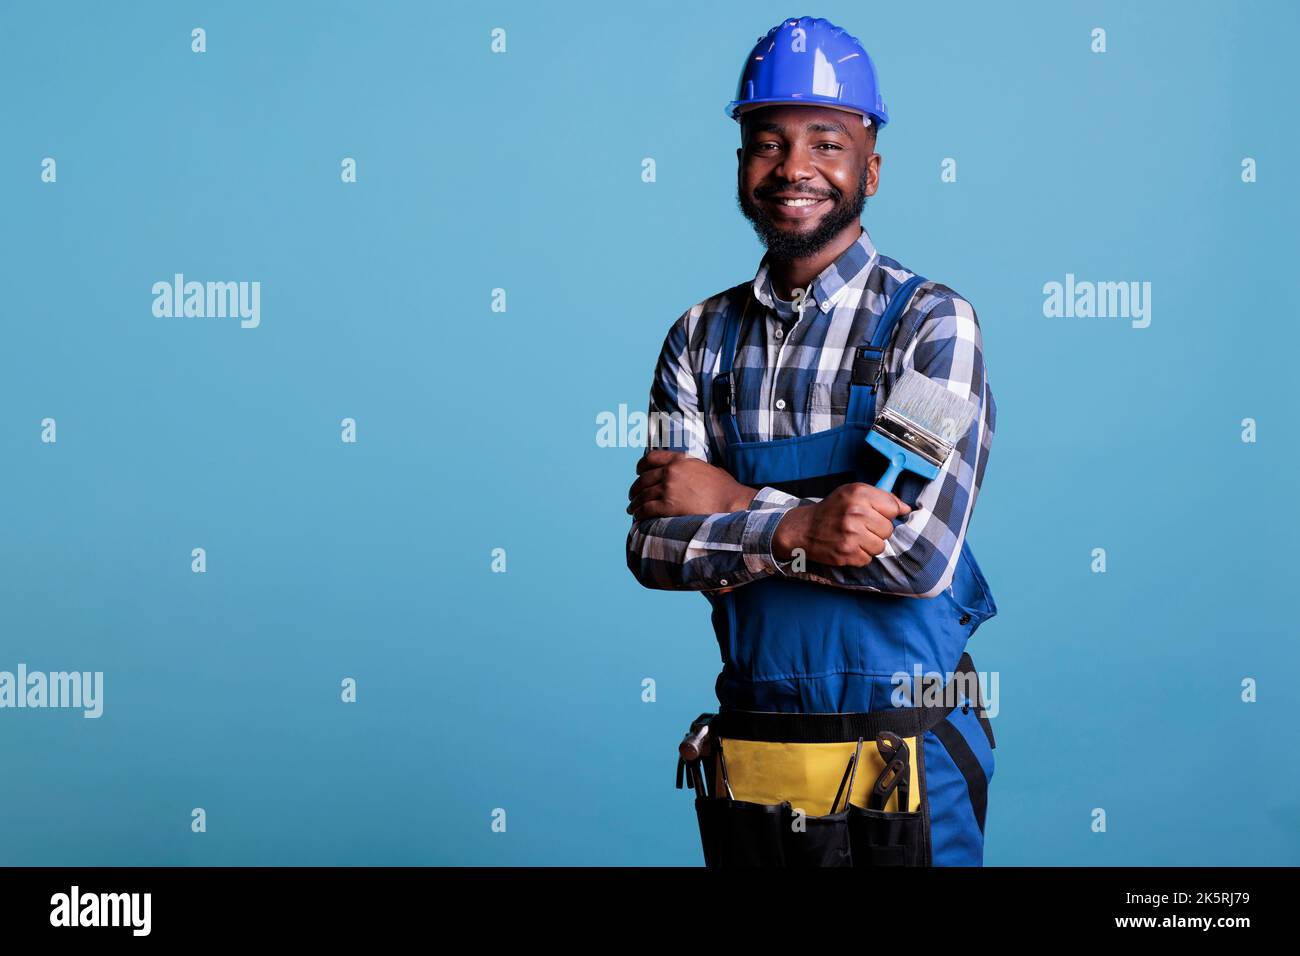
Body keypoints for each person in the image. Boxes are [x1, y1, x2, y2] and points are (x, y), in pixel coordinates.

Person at [626, 16, 999, 867]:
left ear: (870, 166)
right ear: (741, 166)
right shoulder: (696, 338)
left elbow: (912, 555)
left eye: (825, 143)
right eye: (767, 142)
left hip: (903, 762)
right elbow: (649, 544)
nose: (794, 168)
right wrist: (803, 527)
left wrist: (731, 506)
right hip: (755, 759)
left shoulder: (934, 326)